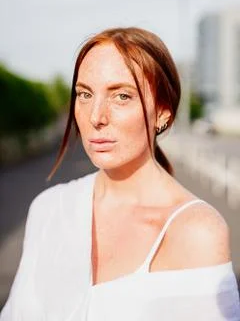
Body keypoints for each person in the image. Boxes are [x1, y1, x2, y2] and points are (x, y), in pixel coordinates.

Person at [1, 27, 239, 321]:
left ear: (163, 111)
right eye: (84, 94)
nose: (95, 117)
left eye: (122, 96)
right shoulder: (49, 209)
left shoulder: (196, 232)